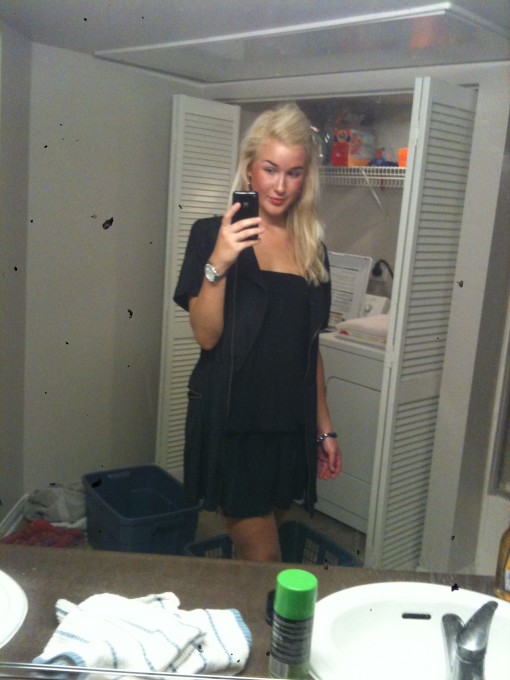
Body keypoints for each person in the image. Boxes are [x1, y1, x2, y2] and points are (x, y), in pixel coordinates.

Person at [174, 103, 342, 561]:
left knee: (260, 550)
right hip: (235, 423)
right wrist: (219, 262)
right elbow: (206, 337)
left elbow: (310, 348)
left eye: (293, 173)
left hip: (288, 425)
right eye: (270, 169)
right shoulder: (210, 234)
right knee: (265, 559)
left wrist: (324, 430)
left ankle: (237, 601)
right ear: (250, 168)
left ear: (305, 178)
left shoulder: (312, 248)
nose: (280, 186)